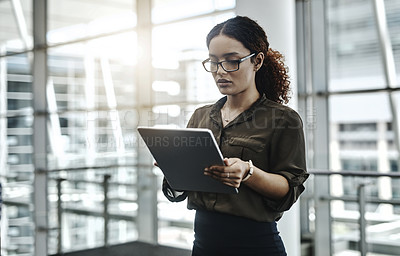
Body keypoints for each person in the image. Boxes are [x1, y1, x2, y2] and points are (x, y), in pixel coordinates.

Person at [161, 16, 309, 256]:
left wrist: (249, 172)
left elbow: (288, 190)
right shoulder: (200, 117)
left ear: (257, 61)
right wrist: (174, 169)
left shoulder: (283, 119)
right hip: (203, 244)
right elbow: (181, 191)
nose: (220, 72)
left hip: (255, 245)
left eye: (232, 61)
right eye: (213, 62)